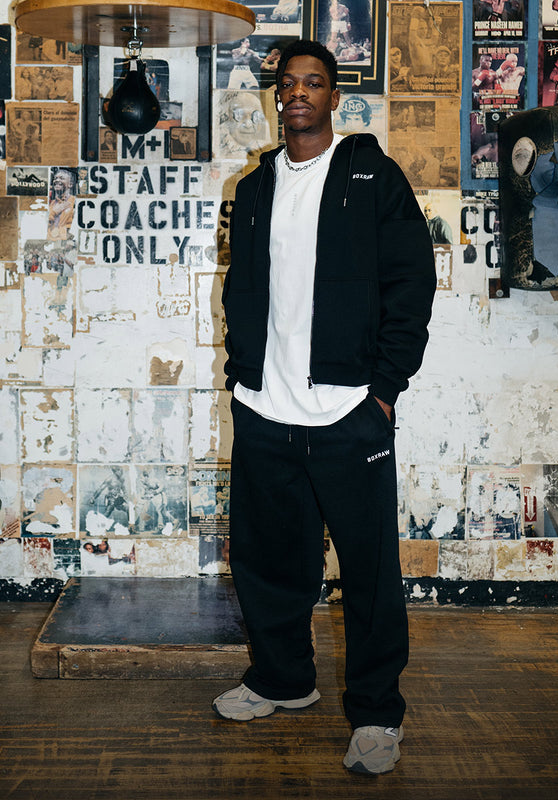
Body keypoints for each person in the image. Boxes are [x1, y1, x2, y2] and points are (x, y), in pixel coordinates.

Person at [214, 39, 436, 775]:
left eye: (314, 83)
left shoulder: (372, 175)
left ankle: (376, 713)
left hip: (348, 411)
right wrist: (242, 380)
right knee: (268, 561)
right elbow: (241, 289)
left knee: (368, 573)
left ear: (335, 98)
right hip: (266, 408)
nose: (299, 93)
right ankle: (284, 680)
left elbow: (412, 282)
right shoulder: (255, 187)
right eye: (288, 83)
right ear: (277, 96)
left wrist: (385, 390)